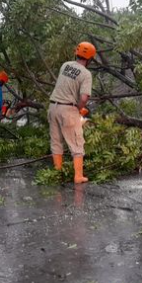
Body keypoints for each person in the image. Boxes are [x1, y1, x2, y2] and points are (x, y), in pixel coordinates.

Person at [48, 41, 96, 184]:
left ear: (77, 53)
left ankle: (57, 173)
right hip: (68, 109)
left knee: (56, 142)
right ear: (90, 58)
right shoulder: (86, 74)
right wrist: (79, 108)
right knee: (77, 143)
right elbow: (84, 97)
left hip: (53, 107)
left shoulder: (65, 65)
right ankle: (78, 176)